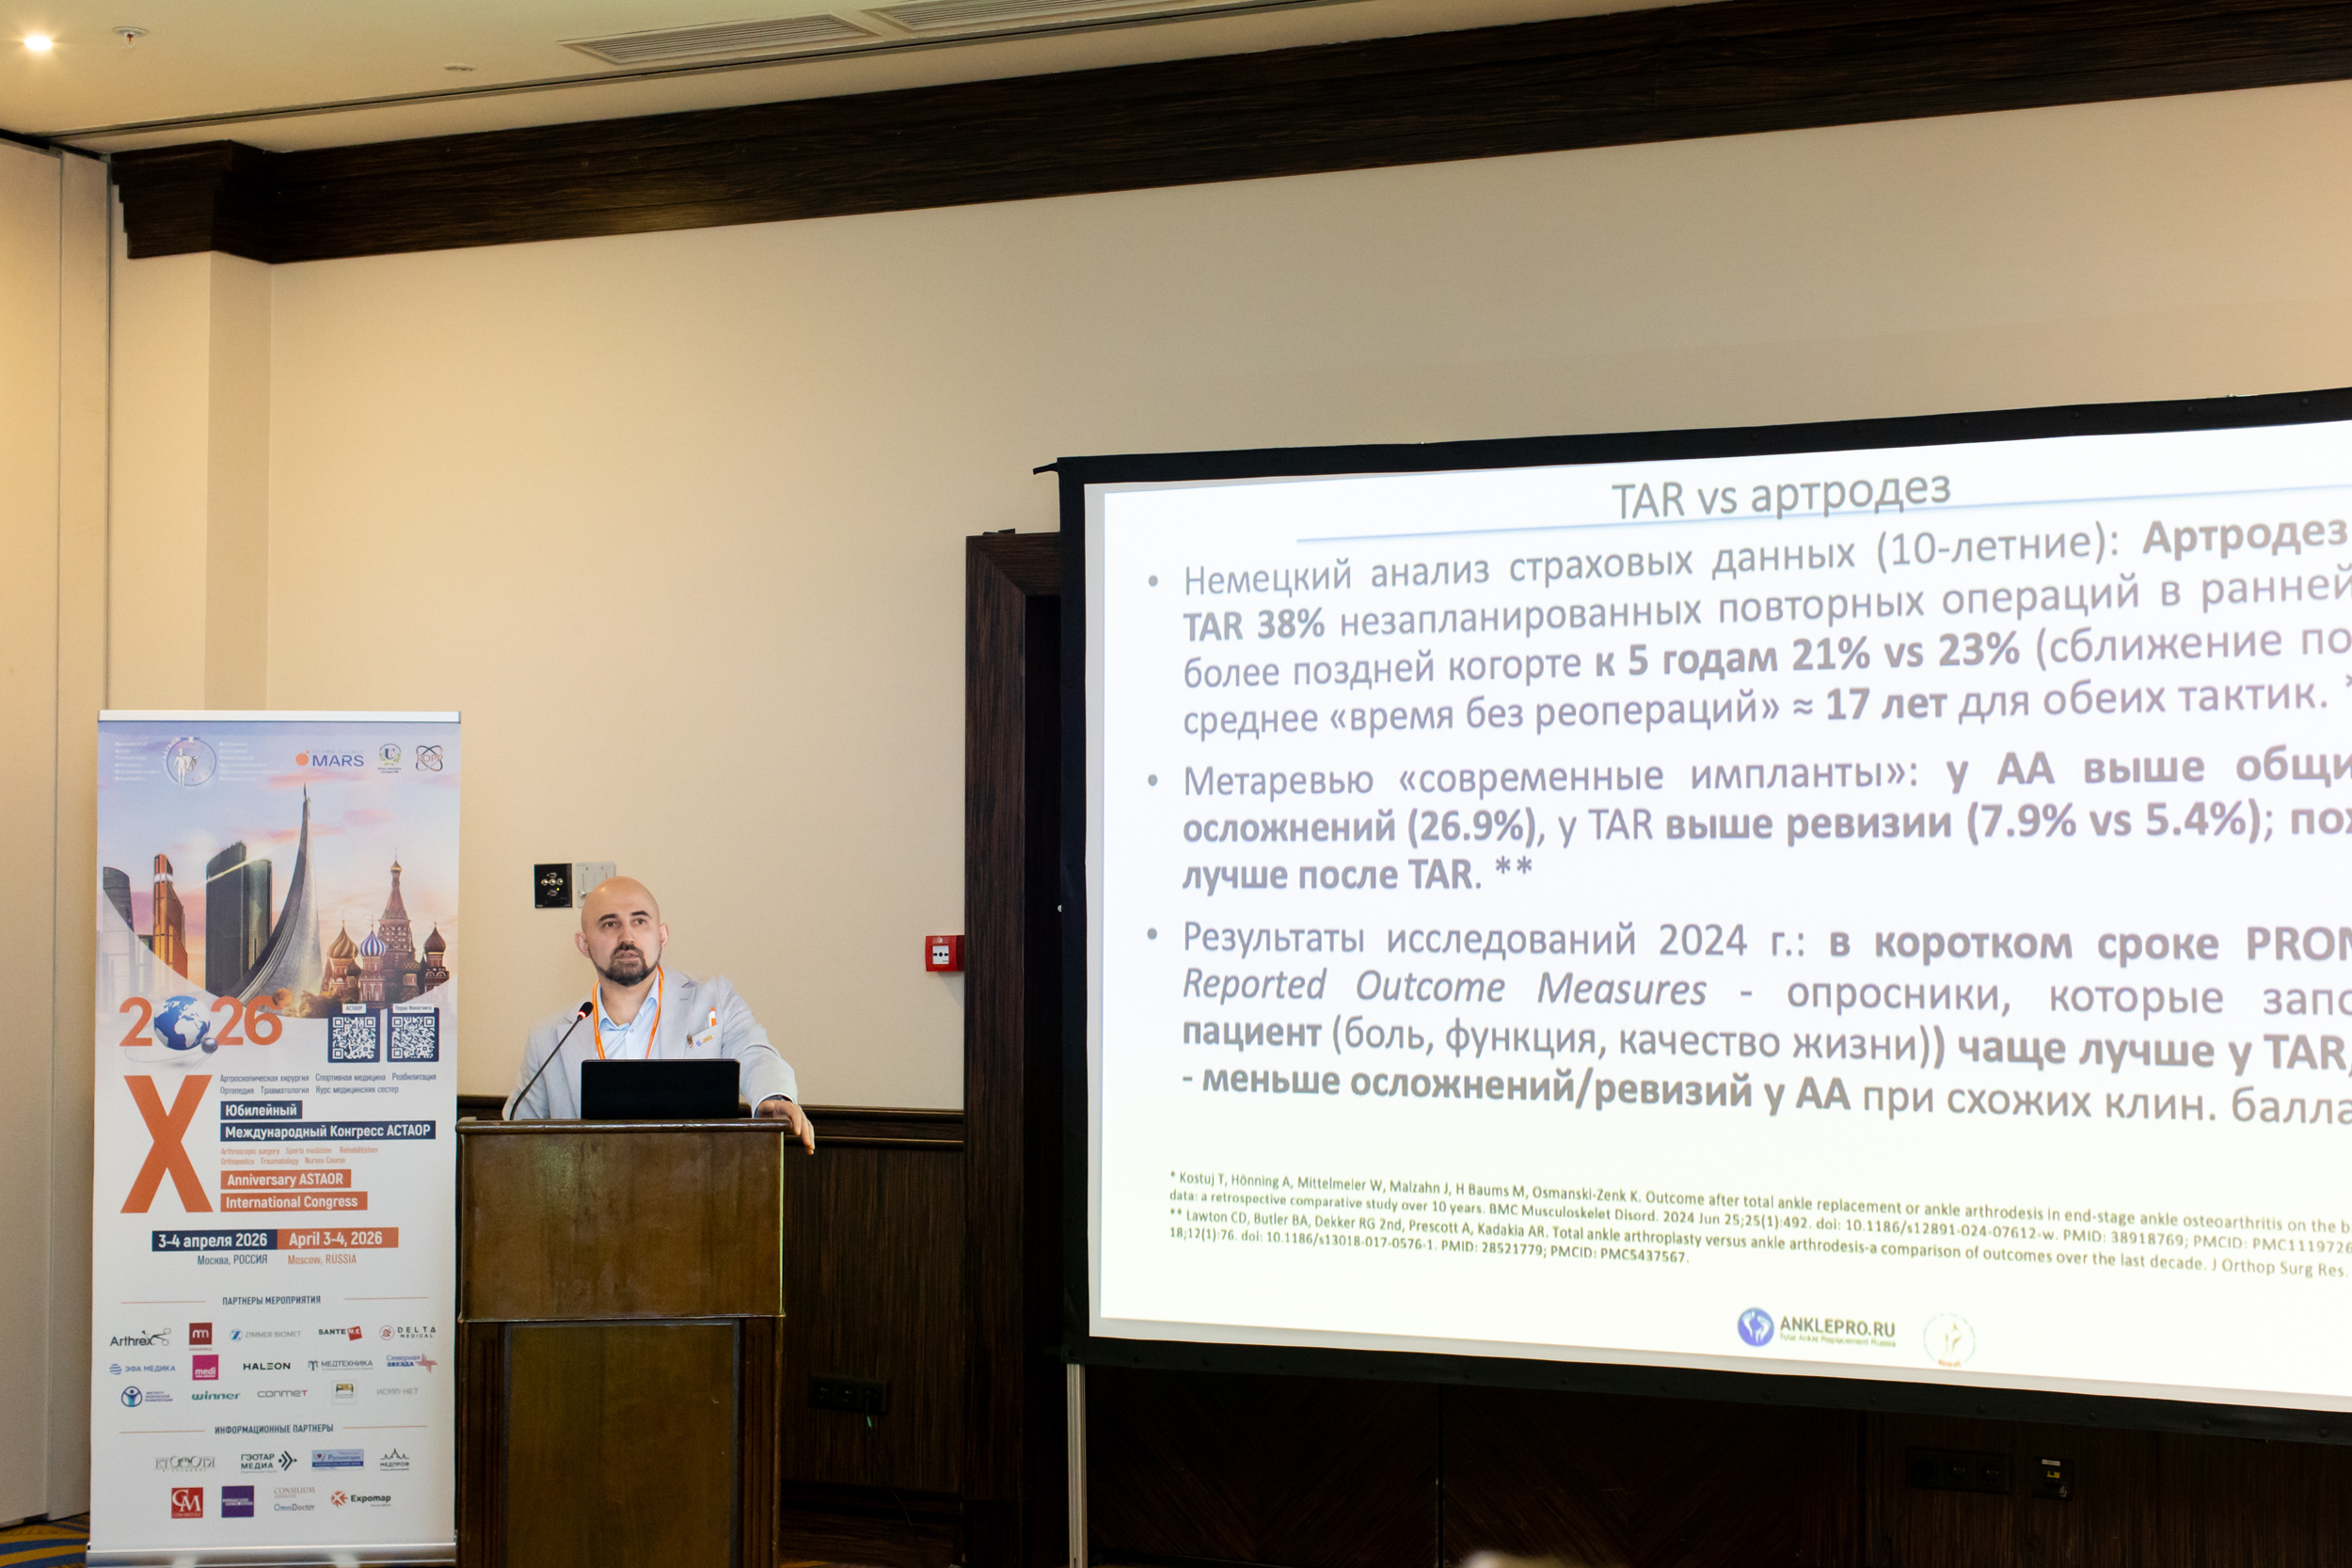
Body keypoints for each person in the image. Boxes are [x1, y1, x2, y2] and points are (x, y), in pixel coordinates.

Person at [504, 876, 815, 1151]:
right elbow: (515, 1136)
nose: (627, 937)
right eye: (610, 924)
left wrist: (774, 1098)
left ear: (662, 935)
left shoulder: (713, 1000)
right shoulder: (548, 1038)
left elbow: (756, 1054)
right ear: (583, 944)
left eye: (640, 921)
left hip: (695, 1185)